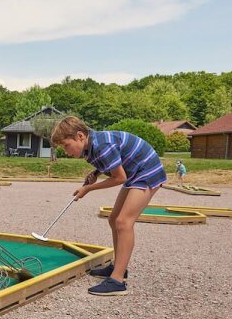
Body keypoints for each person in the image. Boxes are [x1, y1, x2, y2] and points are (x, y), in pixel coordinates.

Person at [51, 116, 167, 296]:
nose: (66, 151)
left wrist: (88, 188)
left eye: (66, 145)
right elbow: (111, 161)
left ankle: (117, 280)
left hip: (147, 170)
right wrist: (96, 173)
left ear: (80, 136)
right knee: (113, 219)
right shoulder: (90, 147)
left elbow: (119, 178)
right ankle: (118, 267)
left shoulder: (102, 145)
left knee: (123, 222)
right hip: (134, 172)